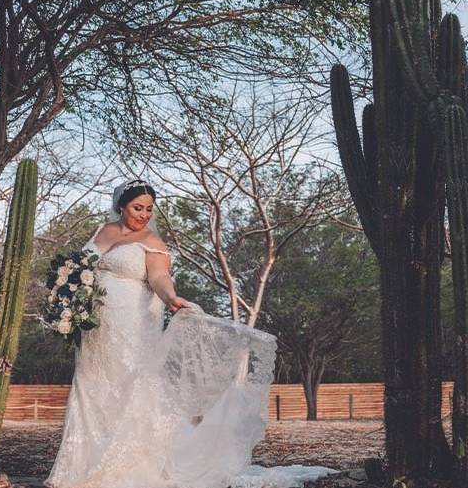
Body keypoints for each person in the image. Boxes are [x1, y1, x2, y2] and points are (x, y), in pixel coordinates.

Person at [45, 179, 337, 488]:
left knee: (132, 388)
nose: (144, 214)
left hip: (132, 326)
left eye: (148, 209)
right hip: (96, 330)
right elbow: (79, 270)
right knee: (91, 388)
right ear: (122, 206)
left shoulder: (152, 241)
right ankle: (77, 469)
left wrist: (171, 299)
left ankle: (125, 468)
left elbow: (158, 277)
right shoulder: (102, 231)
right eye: (137, 208)